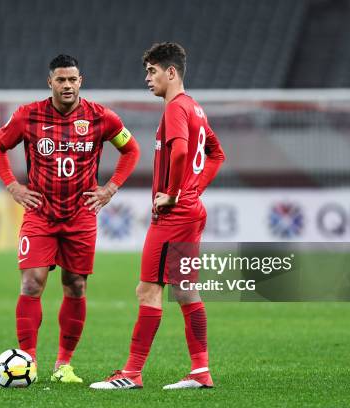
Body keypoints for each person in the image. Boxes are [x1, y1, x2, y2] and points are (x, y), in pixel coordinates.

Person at [0, 54, 140, 383]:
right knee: (31, 284)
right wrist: (13, 186)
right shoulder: (27, 116)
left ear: (80, 81)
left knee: (76, 285)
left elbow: (132, 150)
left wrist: (110, 188)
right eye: (61, 80)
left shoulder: (102, 118)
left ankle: (63, 365)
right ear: (50, 82)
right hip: (40, 215)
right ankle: (27, 361)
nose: (67, 85)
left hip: (81, 216)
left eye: (72, 80)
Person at [90, 42, 225, 390]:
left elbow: (180, 151)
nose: (147, 78)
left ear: (171, 72)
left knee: (147, 290)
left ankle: (131, 373)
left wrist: (176, 192)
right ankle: (200, 371)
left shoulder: (176, 110)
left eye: (151, 71)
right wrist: (193, 190)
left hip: (173, 215)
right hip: (191, 211)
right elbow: (216, 154)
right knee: (185, 292)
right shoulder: (195, 109)